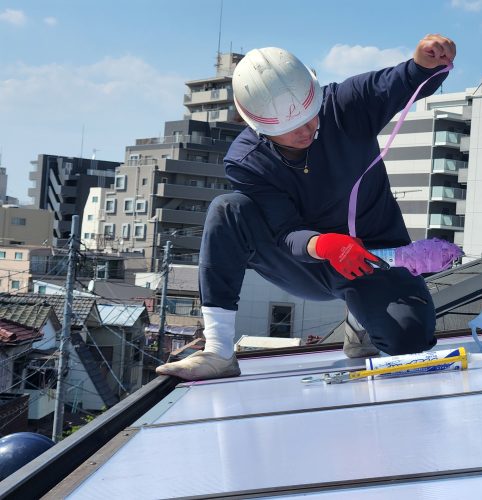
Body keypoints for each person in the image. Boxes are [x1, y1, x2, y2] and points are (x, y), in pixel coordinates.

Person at [157, 34, 456, 380]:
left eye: (310, 117)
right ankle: (219, 351)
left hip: (376, 256)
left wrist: (424, 62)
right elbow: (284, 231)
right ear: (257, 127)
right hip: (307, 263)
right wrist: (324, 244)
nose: (305, 130)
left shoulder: (344, 105)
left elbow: (398, 82)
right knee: (228, 210)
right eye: (289, 128)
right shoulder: (247, 160)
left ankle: (360, 321)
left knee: (410, 340)